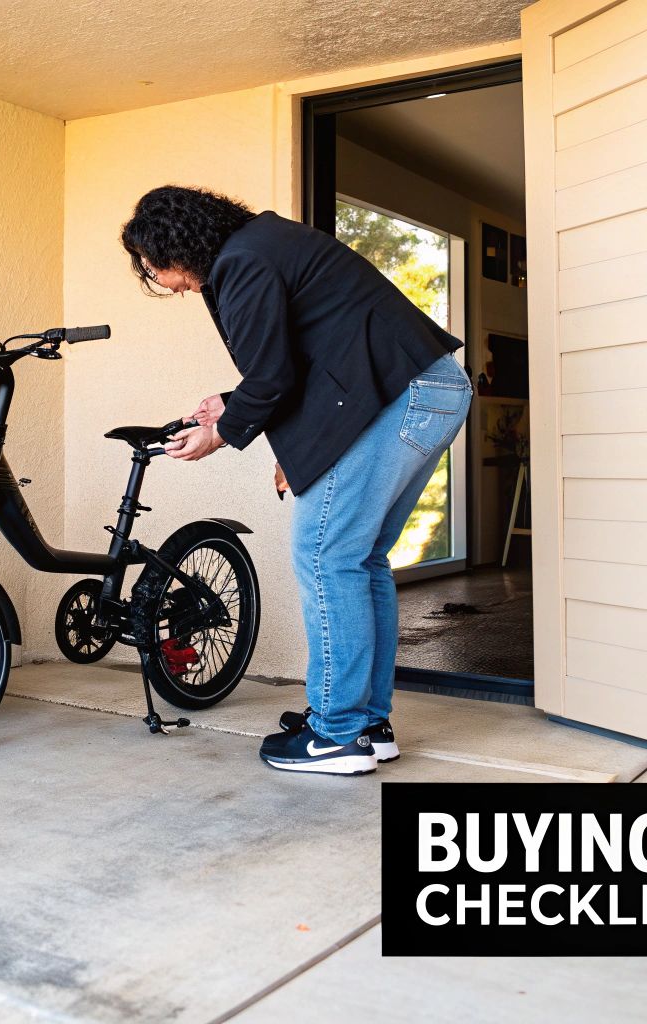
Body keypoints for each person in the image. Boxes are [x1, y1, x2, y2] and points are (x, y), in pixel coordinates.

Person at [119, 184, 472, 777]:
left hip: (400, 396)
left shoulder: (243, 262)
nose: (167, 285)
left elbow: (276, 375)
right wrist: (233, 404)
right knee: (359, 559)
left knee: (324, 555)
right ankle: (364, 722)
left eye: (158, 270)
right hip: (421, 389)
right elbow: (306, 360)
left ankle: (337, 735)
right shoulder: (261, 244)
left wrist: (223, 432)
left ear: (177, 248)